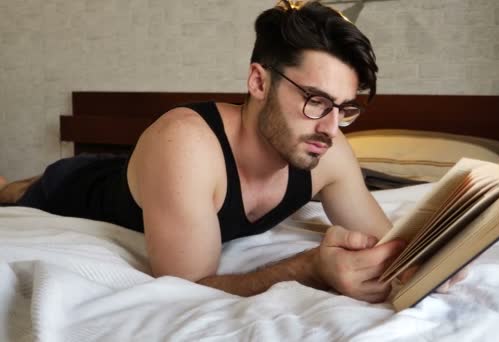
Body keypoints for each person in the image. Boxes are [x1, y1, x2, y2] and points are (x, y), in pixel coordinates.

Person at [0, 1, 460, 303]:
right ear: (258, 81)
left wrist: (444, 251)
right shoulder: (184, 143)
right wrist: (308, 267)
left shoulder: (328, 149)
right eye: (315, 100)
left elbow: (392, 241)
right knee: (24, 191)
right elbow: (187, 290)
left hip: (158, 183)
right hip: (83, 187)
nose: (330, 127)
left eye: (344, 108)